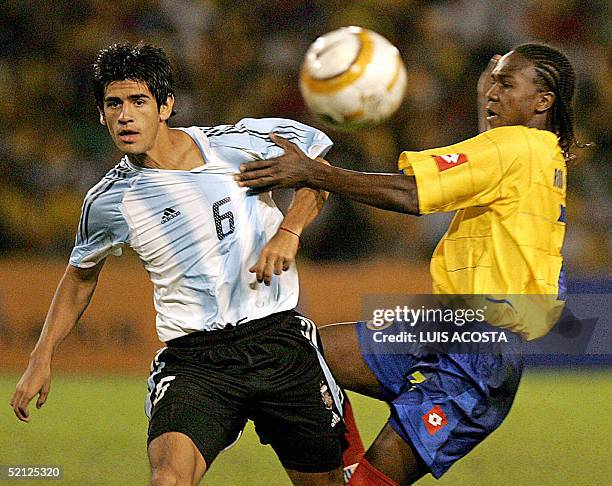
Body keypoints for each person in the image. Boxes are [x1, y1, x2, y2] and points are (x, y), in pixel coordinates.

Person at [9, 42, 357, 486]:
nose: (125, 116)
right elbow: (79, 278)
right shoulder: (109, 201)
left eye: (138, 101)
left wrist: (288, 232)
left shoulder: (238, 146)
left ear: (166, 105)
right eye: (113, 104)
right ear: (101, 114)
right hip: (195, 361)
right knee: (168, 480)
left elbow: (316, 172)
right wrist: (42, 355)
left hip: (278, 342)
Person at [235, 43, 576, 484]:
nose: (493, 91)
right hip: (449, 326)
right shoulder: (536, 151)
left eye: (506, 84)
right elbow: (484, 152)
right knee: (305, 354)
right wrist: (485, 94)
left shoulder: (517, 147)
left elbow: (411, 193)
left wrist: (313, 174)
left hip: (480, 351)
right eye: (493, 81)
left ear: (542, 101)